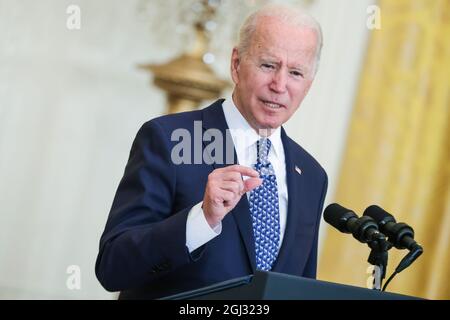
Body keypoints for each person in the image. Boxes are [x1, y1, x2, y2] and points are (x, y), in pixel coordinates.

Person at [95, 4, 328, 299]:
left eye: (295, 72)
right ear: (236, 64)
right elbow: (113, 266)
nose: (279, 85)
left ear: (309, 83)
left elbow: (299, 288)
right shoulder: (171, 140)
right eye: (268, 65)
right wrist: (201, 220)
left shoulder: (312, 176)